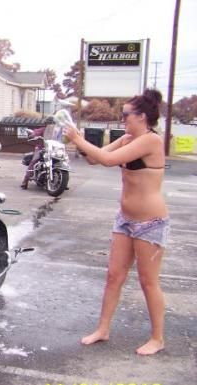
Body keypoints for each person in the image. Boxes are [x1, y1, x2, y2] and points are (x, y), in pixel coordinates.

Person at [63, 89, 168, 356]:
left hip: (150, 222)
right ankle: (103, 329)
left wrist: (78, 139)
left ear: (142, 116)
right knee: (113, 276)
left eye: (126, 115)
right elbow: (95, 158)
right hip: (125, 220)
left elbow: (109, 160)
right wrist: (80, 141)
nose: (123, 120)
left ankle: (157, 338)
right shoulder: (128, 138)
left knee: (148, 282)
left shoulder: (151, 141)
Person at [20, 117, 55, 189]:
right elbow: (35, 132)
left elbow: (63, 137)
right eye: (49, 123)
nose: (51, 124)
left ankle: (63, 181)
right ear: (46, 124)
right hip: (41, 148)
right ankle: (25, 180)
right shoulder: (43, 129)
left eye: (52, 123)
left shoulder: (56, 131)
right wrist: (32, 135)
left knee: (63, 159)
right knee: (34, 160)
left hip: (53, 150)